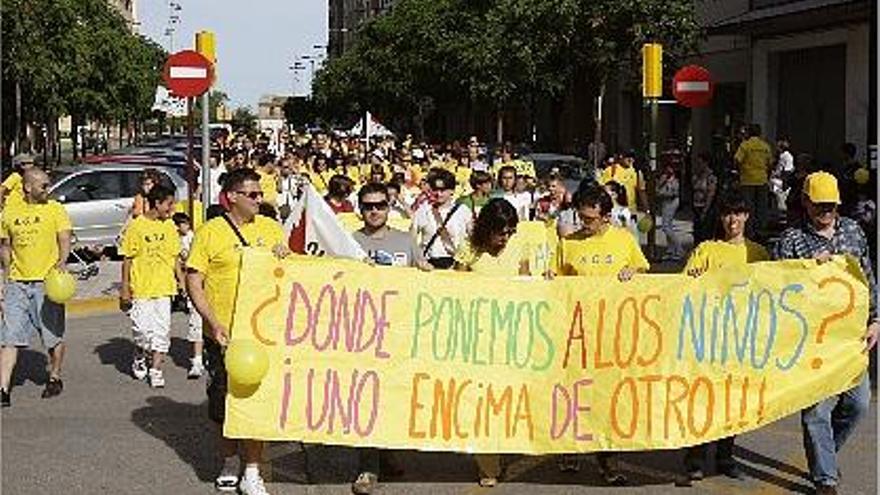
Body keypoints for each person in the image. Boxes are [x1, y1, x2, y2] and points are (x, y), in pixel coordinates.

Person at [185, 168, 291, 495]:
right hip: (223, 334)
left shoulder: (272, 229)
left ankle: (254, 470)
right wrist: (213, 323)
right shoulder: (211, 232)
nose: (261, 199)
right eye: (254, 195)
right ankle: (229, 460)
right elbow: (194, 281)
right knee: (222, 401)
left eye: (261, 194)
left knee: (256, 401)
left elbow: (287, 275)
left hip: (261, 334)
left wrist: (285, 258)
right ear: (233, 196)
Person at [773, 171, 878, 495]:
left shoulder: (853, 231)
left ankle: (824, 455)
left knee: (858, 403)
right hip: (812, 342)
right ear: (805, 203)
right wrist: (806, 270)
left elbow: (868, 276)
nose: (826, 213)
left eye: (831, 206)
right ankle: (825, 479)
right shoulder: (791, 241)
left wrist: (876, 319)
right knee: (816, 412)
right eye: (820, 206)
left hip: (850, 339)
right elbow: (776, 289)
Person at [551, 182, 648, 485]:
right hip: (576, 335)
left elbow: (644, 271)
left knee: (608, 397)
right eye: (581, 217)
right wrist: (551, 278)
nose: (584, 224)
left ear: (606, 215)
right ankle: (571, 449)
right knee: (575, 392)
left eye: (590, 219)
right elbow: (556, 283)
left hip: (612, 336)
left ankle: (608, 460)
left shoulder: (624, 240)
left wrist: (635, 272)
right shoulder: (568, 243)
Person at [680, 190, 768, 483]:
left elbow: (770, 293)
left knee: (733, 400)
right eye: (727, 214)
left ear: (746, 216)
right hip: (707, 337)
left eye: (738, 213)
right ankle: (694, 457)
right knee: (703, 397)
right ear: (721, 218)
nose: (733, 220)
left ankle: (725, 456)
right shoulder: (706, 249)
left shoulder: (758, 253)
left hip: (741, 339)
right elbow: (684, 289)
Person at [349, 182, 427, 494]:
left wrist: (425, 270)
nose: (375, 211)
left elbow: (420, 275)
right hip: (363, 335)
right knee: (367, 400)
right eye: (368, 206)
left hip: (398, 332)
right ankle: (367, 468)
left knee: (392, 397)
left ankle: (387, 454)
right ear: (360, 209)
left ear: (389, 205)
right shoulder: (349, 242)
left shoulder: (405, 240)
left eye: (380, 205)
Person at [453, 198, 528, 488]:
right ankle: (487, 464)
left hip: (510, 338)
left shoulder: (519, 247)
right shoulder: (468, 250)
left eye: (510, 231)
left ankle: (503, 447)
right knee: (482, 400)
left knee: (507, 399)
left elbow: (526, 287)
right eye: (500, 232)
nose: (505, 238)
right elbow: (450, 290)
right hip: (477, 339)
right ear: (486, 229)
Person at [0, 168, 72, 406]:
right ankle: (3, 389)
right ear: (28, 187)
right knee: (9, 337)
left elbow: (64, 238)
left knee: (52, 336)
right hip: (17, 284)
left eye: (48, 184)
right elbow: (6, 246)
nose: (47, 189)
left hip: (47, 282)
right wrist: (6, 275)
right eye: (43, 185)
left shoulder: (55, 209)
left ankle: (54, 376)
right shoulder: (9, 213)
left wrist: (62, 261)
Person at [119, 184, 181, 388]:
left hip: (164, 287)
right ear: (157, 203)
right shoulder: (136, 226)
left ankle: (156, 369)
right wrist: (125, 288)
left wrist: (181, 281)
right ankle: (139, 353)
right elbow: (127, 259)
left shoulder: (170, 226)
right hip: (142, 288)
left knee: (162, 331)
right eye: (168, 204)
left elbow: (174, 257)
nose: (171, 208)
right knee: (142, 332)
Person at [411, 168, 472, 269]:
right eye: (435, 189)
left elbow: (472, 238)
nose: (438, 193)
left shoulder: (463, 211)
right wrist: (419, 260)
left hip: (455, 266)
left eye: (443, 190)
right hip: (429, 265)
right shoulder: (423, 209)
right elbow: (411, 238)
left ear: (452, 191)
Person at [172, 212, 205, 379]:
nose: (185, 227)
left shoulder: (197, 238)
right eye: (182, 224)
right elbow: (178, 262)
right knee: (195, 323)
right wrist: (182, 283)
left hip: (205, 285)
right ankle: (197, 361)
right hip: (193, 286)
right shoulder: (176, 240)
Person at [734, 124, 772, 237]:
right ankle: (761, 230)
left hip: (747, 180)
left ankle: (750, 232)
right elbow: (770, 163)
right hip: (762, 180)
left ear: (748, 133)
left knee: (748, 207)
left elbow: (737, 160)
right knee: (761, 208)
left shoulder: (745, 145)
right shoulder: (765, 146)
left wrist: (740, 171)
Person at [656, 161, 683, 261]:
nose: (667, 170)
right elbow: (657, 189)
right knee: (667, 225)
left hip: (671, 203)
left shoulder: (675, 181)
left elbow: (672, 193)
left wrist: (661, 192)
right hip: (665, 202)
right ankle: (670, 250)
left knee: (666, 227)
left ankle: (679, 249)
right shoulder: (664, 179)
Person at [691, 153, 718, 244]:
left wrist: (705, 210)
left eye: (700, 163)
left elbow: (711, 193)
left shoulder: (711, 177)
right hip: (696, 205)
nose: (698, 165)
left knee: (705, 232)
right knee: (696, 232)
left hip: (705, 207)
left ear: (706, 163)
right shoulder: (697, 175)